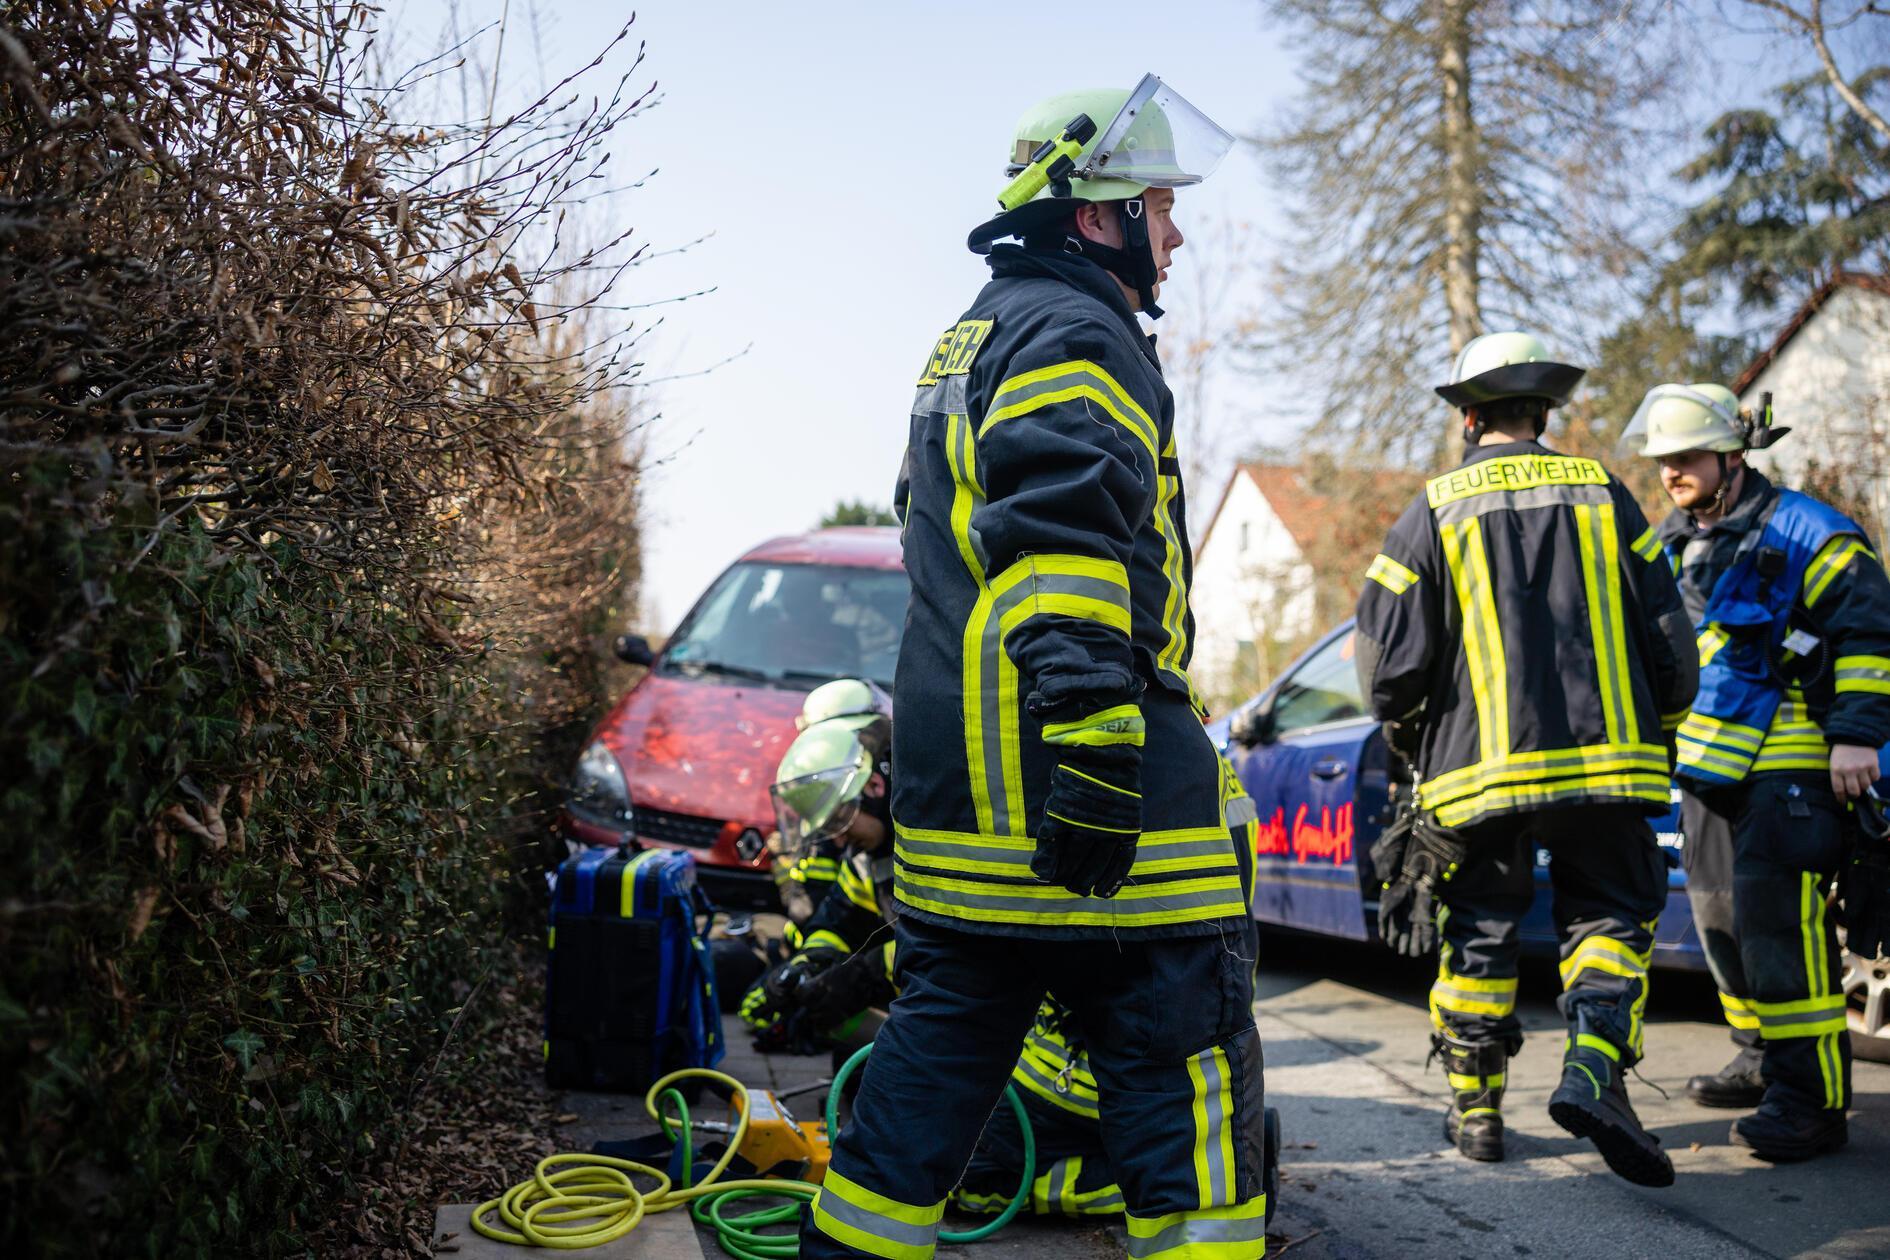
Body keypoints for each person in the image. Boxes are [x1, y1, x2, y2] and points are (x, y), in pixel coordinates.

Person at [800, 76, 1271, 1260]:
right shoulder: (1078, 334)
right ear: (1097, 216)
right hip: (1102, 820)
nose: (1177, 235)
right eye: (1161, 207)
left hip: (966, 826)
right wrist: (1102, 746)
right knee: (1188, 1110)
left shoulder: (974, 334)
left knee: (913, 1112)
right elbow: (1062, 539)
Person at [1354, 331, 1699, 1187]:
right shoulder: (1606, 494)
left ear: (1469, 419)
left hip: (1478, 774)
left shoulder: (1433, 509)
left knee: (1479, 930)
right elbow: (1671, 638)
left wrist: (1409, 742)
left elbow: (1387, 666)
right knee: (1609, 916)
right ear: (1542, 414)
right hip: (1609, 764)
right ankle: (1593, 1066)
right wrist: (1661, 723)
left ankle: (1477, 1112)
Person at [746, 687, 1268, 1221]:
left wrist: (867, 973)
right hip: (1067, 1026)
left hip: (1086, 1043)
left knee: (960, 1172)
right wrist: (810, 967)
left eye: (842, 820)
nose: (840, 840)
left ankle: (1161, 1178)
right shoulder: (897, 830)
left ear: (874, 786)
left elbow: (992, 937)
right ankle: (1168, 1166)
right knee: (891, 1107)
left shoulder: (1043, 782)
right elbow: (840, 917)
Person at [1630, 382, 1890, 1161]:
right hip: (1709, 771)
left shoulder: (1810, 531)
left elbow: (1870, 634)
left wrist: (1855, 737)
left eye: (1687, 456)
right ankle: (1760, 1057)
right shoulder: (1670, 544)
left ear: (1732, 456)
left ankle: (1812, 1103)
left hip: (1794, 768)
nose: (1672, 472)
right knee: (1722, 926)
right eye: (1664, 459)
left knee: (1781, 933)